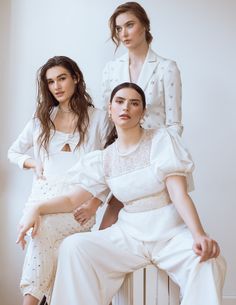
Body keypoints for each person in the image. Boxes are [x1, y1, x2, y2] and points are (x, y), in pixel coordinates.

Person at [17, 82, 226, 305]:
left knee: (208, 262)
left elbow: (179, 194)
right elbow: (71, 200)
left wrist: (198, 234)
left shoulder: (162, 140)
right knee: (74, 246)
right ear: (110, 109)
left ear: (142, 112)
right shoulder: (104, 158)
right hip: (129, 236)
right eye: (120, 102)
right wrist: (36, 208)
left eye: (134, 103)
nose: (126, 107)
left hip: (170, 233)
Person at [8, 56, 111, 305]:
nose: (57, 86)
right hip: (41, 198)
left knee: (41, 231)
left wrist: (96, 202)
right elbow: (14, 152)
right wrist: (34, 163)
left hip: (78, 205)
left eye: (62, 78)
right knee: (42, 231)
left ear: (76, 77)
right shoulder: (42, 118)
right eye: (51, 81)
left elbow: (112, 166)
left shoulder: (98, 118)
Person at [101, 1, 183, 134]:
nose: (123, 34)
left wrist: (163, 152)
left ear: (144, 25)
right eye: (119, 28)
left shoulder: (166, 68)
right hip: (120, 148)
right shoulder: (111, 69)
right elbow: (108, 117)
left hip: (156, 148)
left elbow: (174, 124)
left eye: (130, 25)